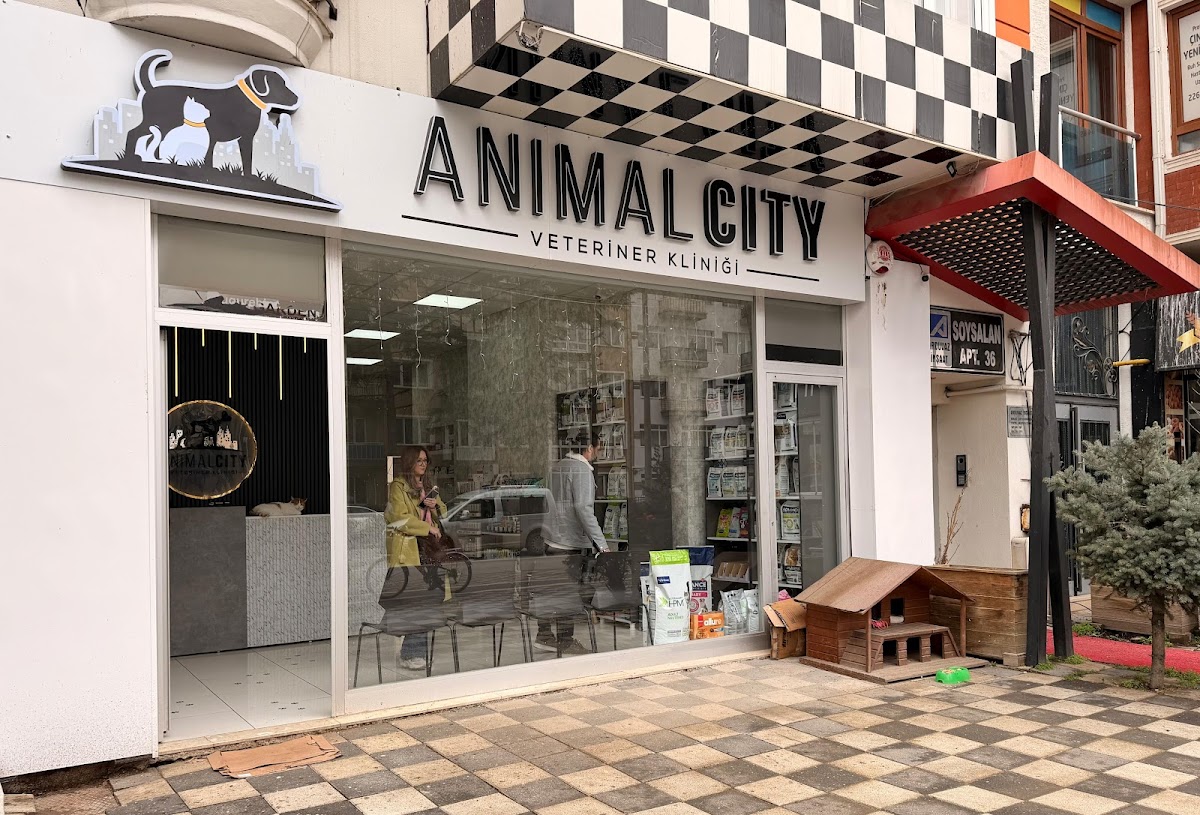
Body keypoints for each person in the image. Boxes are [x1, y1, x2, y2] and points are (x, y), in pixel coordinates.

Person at [536, 433, 609, 655]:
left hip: (551, 537)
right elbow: (583, 508)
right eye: (598, 447)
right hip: (569, 541)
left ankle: (544, 634)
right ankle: (566, 640)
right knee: (568, 594)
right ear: (589, 448)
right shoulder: (582, 470)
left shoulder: (557, 467)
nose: (598, 452)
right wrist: (602, 544)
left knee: (551, 591)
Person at [385, 445, 447, 671]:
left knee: (430, 600)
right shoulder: (398, 487)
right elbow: (398, 518)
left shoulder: (428, 487)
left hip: (430, 549)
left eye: (425, 461)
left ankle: (415, 650)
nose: (423, 464)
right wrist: (426, 527)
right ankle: (412, 652)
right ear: (409, 462)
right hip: (410, 549)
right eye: (419, 460)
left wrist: (435, 505)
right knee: (418, 601)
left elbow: (444, 513)